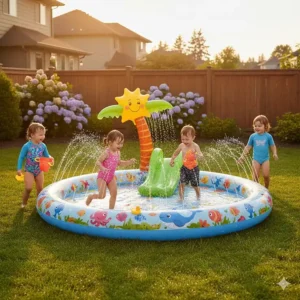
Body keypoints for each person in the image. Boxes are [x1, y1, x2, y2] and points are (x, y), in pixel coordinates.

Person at [86, 130, 136, 209]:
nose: (120, 145)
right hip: (102, 177)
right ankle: (91, 197)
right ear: (110, 142)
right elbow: (98, 162)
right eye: (118, 143)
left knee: (114, 194)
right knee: (102, 196)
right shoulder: (106, 153)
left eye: (122, 143)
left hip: (111, 177)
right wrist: (102, 168)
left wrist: (128, 162)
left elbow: (119, 163)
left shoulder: (118, 153)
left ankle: (111, 211)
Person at [17, 122, 54, 208]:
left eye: (43, 134)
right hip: (29, 170)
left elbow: (46, 155)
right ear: (32, 135)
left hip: (39, 169)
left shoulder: (43, 146)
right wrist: (19, 168)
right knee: (28, 188)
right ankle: (24, 203)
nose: (43, 136)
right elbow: (21, 157)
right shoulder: (27, 146)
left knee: (40, 189)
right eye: (40, 135)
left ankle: (39, 204)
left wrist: (50, 157)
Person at [238, 115, 278, 188]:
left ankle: (266, 187)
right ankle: (255, 189)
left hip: (265, 159)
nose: (257, 127)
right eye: (255, 126)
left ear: (265, 126)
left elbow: (272, 146)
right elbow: (248, 147)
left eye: (259, 126)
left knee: (266, 175)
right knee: (255, 176)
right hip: (256, 159)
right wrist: (242, 157)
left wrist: (274, 153)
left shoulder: (268, 136)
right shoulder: (253, 136)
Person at [170, 125, 204, 202]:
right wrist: (172, 159)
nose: (185, 141)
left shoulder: (195, 146)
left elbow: (201, 154)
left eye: (187, 139)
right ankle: (181, 198)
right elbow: (176, 153)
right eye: (183, 139)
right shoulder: (181, 145)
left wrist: (198, 155)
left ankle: (198, 196)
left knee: (195, 185)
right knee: (181, 183)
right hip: (184, 168)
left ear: (193, 138)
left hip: (194, 169)